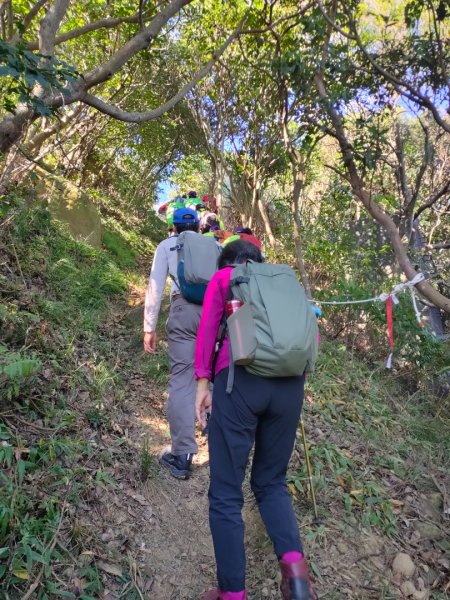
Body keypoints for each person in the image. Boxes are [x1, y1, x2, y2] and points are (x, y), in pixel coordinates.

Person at [194, 239, 317, 600]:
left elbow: (207, 332)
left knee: (227, 493)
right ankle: (296, 580)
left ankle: (232, 593)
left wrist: (203, 383)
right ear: (259, 261)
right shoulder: (283, 283)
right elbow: (311, 337)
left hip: (240, 381)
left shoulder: (225, 278)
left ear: (227, 262)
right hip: (290, 387)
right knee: (270, 482)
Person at [144, 207, 203, 480]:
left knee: (182, 380)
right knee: (210, 379)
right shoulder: (212, 245)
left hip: (184, 313)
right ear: (198, 228)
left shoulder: (167, 245)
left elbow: (156, 287)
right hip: (215, 317)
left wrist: (149, 328)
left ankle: (182, 455)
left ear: (174, 227)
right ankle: (221, 443)